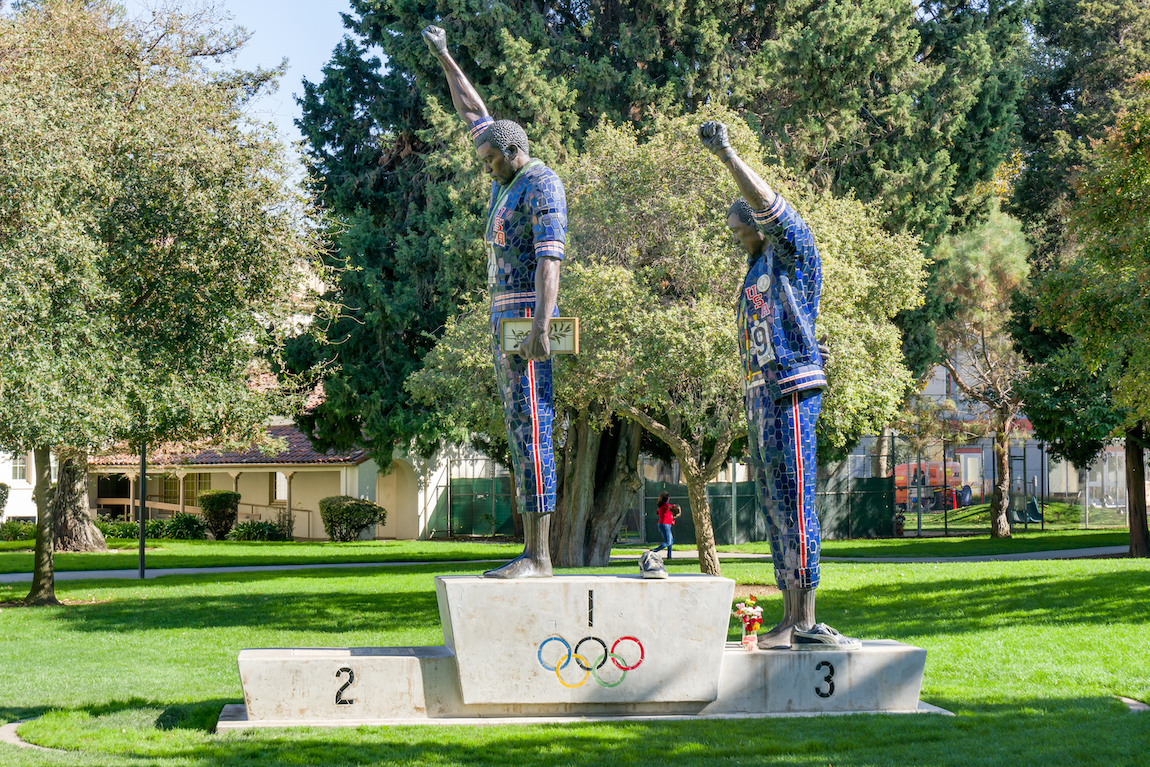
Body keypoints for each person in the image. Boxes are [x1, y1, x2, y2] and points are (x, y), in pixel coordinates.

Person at [698, 120, 860, 651]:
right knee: (772, 502)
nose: (736, 237)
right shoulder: (754, 272)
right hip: (760, 395)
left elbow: (771, 206)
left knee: (795, 495)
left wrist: (727, 155)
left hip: (790, 390)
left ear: (763, 227)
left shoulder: (792, 253)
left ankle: (807, 619)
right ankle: (789, 617)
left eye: (740, 229)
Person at [423, 24, 566, 578]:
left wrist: (542, 327)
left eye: (489, 161)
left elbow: (550, 259)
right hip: (504, 312)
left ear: (513, 152)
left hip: (529, 314)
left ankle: (540, 555)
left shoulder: (541, 183)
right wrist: (444, 55)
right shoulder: (505, 180)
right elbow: (473, 111)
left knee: (533, 424)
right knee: (516, 424)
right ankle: (531, 551)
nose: (485, 167)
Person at [650, 491, 679, 559]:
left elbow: (666, 515)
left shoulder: (662, 506)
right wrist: (676, 506)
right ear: (667, 498)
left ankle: (669, 556)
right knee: (668, 542)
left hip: (666, 524)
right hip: (664, 525)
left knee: (671, 541)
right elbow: (672, 507)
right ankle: (654, 551)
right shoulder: (666, 505)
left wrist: (671, 521)